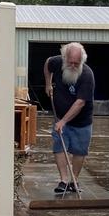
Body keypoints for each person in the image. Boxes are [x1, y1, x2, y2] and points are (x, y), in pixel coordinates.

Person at [44, 42, 95, 194]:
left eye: (76, 63)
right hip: (60, 114)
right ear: (64, 58)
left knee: (79, 151)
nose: (73, 65)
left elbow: (80, 103)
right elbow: (47, 64)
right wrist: (48, 84)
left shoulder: (87, 75)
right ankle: (64, 181)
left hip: (81, 120)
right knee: (60, 147)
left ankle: (74, 181)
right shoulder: (57, 62)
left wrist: (63, 121)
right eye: (70, 62)